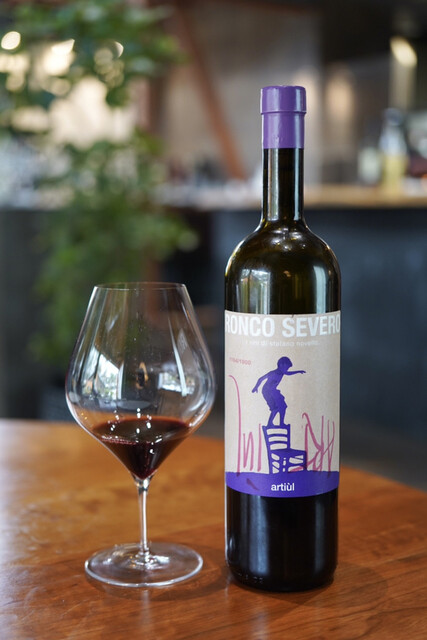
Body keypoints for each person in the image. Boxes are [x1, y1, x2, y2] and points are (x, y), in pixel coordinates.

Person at [252, 356, 305, 427]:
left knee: (282, 407)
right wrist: (256, 387)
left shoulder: (282, 373)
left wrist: (298, 371)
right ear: (281, 365)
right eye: (286, 368)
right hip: (267, 392)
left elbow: (288, 373)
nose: (287, 370)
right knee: (276, 408)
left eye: (287, 368)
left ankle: (280, 423)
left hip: (273, 391)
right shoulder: (273, 373)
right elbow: (260, 379)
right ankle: (270, 423)